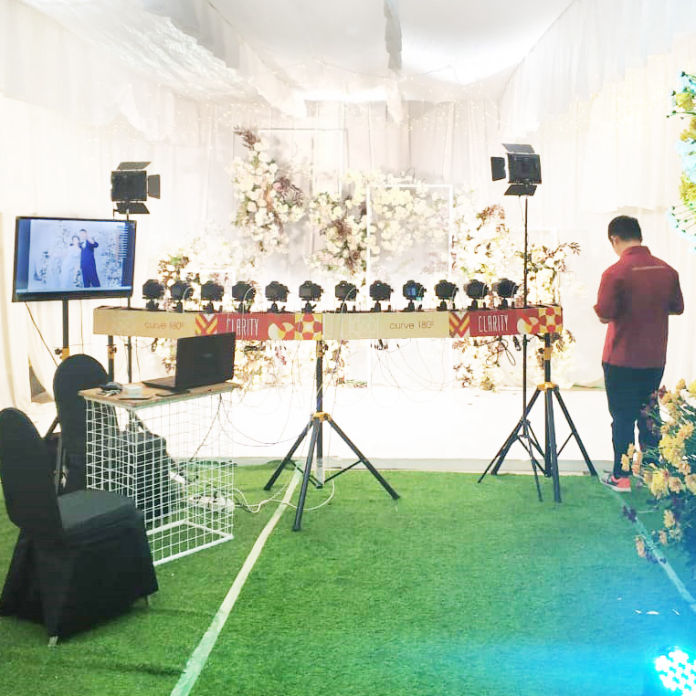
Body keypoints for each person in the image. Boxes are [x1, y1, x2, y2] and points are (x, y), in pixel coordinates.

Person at [594, 215, 684, 492]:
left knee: (622, 417)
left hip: (621, 358)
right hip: (654, 357)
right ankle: (652, 473)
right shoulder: (667, 270)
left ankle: (621, 477)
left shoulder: (614, 273)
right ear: (639, 236)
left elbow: (604, 314)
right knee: (649, 415)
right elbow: (677, 307)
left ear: (614, 239)